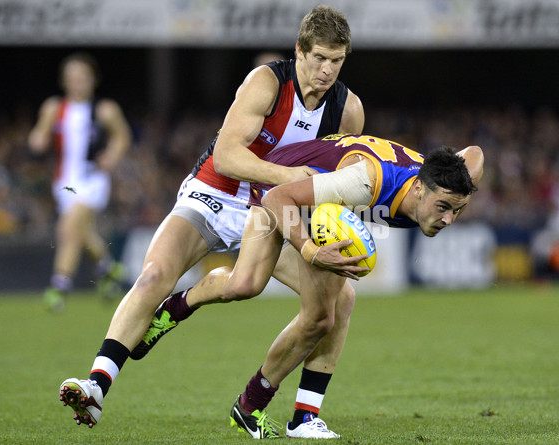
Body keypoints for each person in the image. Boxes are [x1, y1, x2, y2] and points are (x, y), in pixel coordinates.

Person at [58, 5, 364, 436]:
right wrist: (288, 177)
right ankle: (96, 386)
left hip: (270, 210)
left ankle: (305, 415)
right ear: (300, 51)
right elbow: (227, 155)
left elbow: (335, 179)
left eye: (337, 61)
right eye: (319, 58)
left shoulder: (347, 110)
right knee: (153, 275)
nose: (327, 70)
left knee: (340, 298)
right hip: (216, 191)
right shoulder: (267, 82)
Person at [129, 133, 484, 439]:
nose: (449, 219)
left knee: (323, 301)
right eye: (443, 208)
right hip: (282, 188)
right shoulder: (365, 181)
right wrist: (311, 251)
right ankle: (249, 401)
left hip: (323, 200)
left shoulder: (448, 184)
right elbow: (277, 200)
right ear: (419, 188)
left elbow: (476, 154)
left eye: (459, 210)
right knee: (302, 309)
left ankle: (301, 416)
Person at [28, 52, 131, 311]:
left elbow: (122, 136)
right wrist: (38, 140)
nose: (78, 83)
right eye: (72, 78)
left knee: (67, 229)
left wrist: (113, 155)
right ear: (65, 82)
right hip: (64, 181)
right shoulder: (54, 108)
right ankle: (109, 269)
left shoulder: (104, 109)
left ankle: (58, 287)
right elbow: (38, 136)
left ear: (93, 80)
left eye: (83, 77)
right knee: (82, 231)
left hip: (92, 179)